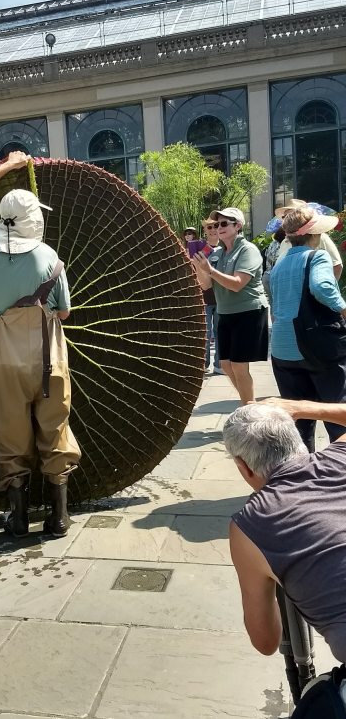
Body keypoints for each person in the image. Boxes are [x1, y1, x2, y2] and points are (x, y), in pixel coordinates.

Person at [0, 151, 81, 539]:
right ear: (38, 222)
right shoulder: (51, 259)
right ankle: (58, 515)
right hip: (49, 360)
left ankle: (16, 517)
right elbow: (63, 314)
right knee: (56, 430)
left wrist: (8, 166)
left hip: (2, 361)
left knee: (9, 434)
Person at [223, 402, 346, 666]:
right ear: (297, 441)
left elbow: (265, 641)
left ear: (244, 467)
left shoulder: (249, 526)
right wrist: (302, 408)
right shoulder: (342, 454)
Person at [269, 206, 346, 452]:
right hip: (316, 347)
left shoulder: (280, 265)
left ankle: (301, 478)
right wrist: (343, 308)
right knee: (337, 414)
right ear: (315, 234)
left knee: (299, 422)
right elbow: (322, 287)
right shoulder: (317, 256)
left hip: (282, 351)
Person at [192, 207, 268, 403]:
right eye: (216, 224)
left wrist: (210, 269)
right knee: (225, 365)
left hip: (248, 312)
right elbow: (206, 284)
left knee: (239, 365)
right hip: (226, 313)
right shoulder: (218, 253)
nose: (219, 227)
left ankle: (250, 409)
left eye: (224, 223)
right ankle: (249, 403)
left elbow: (237, 284)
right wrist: (199, 268)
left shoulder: (248, 250)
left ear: (238, 226)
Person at [275, 199, 343, 280]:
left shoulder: (319, 237)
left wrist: (329, 288)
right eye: (284, 217)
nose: (287, 219)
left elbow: (337, 265)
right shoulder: (284, 243)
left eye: (292, 215)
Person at [201, 217, 222, 374]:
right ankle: (204, 364)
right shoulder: (202, 251)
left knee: (221, 331)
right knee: (206, 333)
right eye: (210, 227)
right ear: (205, 230)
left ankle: (220, 364)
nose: (214, 229)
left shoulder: (227, 249)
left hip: (223, 297)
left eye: (217, 225)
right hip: (206, 297)